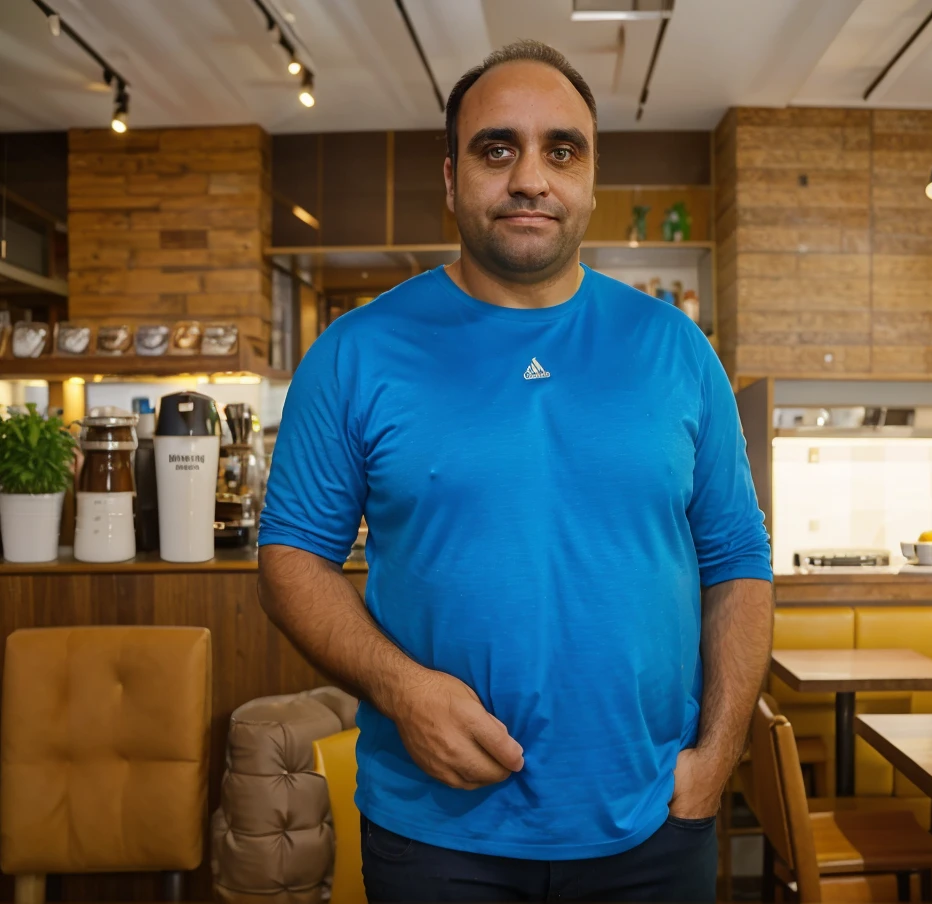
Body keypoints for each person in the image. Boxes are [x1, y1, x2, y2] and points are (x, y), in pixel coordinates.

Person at [258, 39, 773, 904]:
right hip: (436, 834)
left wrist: (716, 757)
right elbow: (289, 560)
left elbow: (738, 564)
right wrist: (401, 689)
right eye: (498, 149)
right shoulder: (355, 353)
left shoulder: (677, 351)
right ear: (453, 178)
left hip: (650, 826)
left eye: (560, 150)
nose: (530, 176)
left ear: (591, 180)